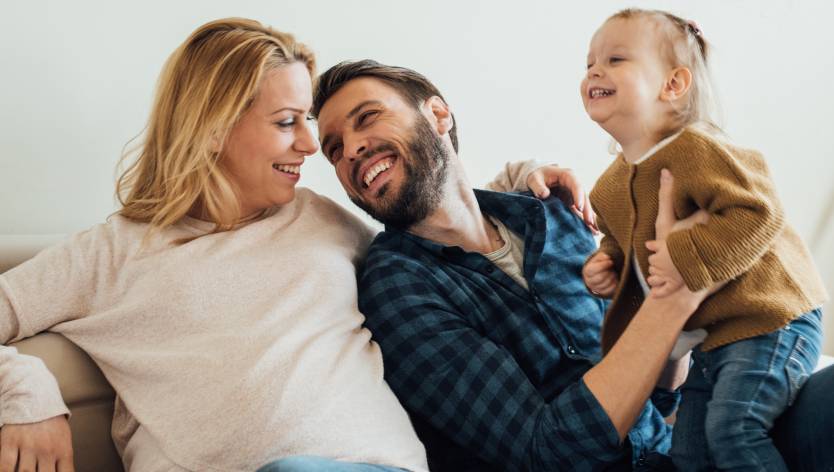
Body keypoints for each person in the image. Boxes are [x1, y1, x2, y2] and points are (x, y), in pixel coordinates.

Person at [0, 18, 586, 472]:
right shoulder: (114, 253)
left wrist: (521, 177)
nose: (311, 145)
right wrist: (28, 392)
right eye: (288, 122)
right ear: (211, 129)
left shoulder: (322, 221)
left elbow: (434, 216)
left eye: (310, 123)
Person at [312, 59, 834, 472]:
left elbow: (648, 389)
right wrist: (676, 295)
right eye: (334, 150)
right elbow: (548, 452)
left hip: (677, 452)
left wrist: (665, 299)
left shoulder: (551, 216)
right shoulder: (394, 287)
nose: (351, 149)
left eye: (368, 117)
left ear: (438, 115)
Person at [579, 9, 827, 471]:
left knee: (735, 430)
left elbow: (759, 211)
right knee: (689, 454)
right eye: (589, 61)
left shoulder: (697, 148)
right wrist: (608, 262)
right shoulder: (609, 187)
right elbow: (621, 239)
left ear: (673, 85)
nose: (594, 70)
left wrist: (682, 255)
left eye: (616, 59)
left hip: (773, 317)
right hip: (713, 338)